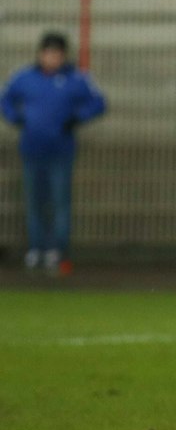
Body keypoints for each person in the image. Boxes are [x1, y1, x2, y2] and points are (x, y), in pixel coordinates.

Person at [3, 31, 106, 276]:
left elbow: (99, 102)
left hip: (61, 151)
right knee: (34, 202)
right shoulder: (24, 77)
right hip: (31, 149)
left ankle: (57, 250)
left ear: (63, 56)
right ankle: (36, 248)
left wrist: (77, 118)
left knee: (59, 202)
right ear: (40, 54)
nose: (51, 58)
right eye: (47, 53)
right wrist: (15, 118)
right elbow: (5, 100)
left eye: (56, 54)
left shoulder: (76, 79)